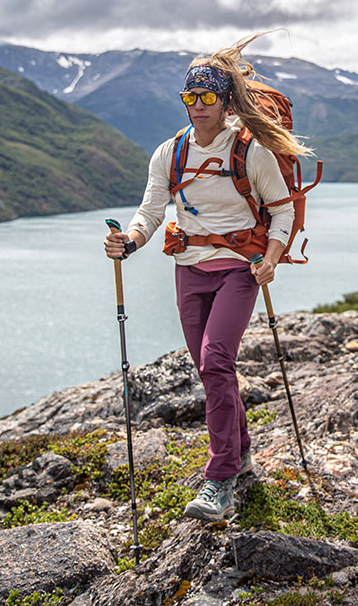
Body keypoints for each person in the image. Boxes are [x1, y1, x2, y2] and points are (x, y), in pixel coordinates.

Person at [103, 35, 311, 522]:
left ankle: (220, 481)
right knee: (209, 369)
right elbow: (151, 208)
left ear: (225, 101)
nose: (198, 107)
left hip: (239, 270)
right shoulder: (169, 152)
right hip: (189, 270)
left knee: (217, 361)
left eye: (208, 98)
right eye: (190, 98)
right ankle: (241, 455)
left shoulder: (251, 151)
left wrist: (273, 256)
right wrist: (130, 241)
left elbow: (280, 211)